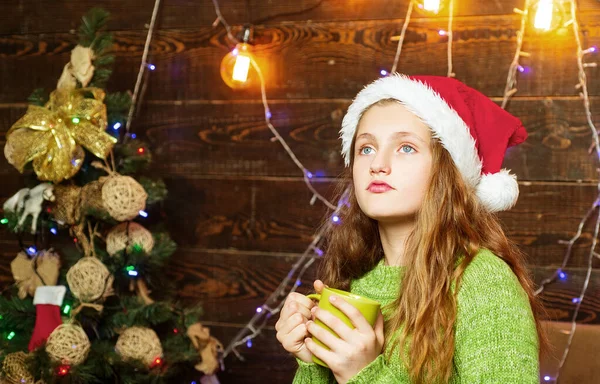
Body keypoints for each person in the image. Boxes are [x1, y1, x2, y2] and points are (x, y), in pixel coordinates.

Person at [275, 74, 549, 384]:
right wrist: (312, 361)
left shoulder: (482, 281)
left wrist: (365, 375)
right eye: (366, 148)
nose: (378, 164)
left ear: (447, 171)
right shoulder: (358, 287)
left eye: (405, 148)